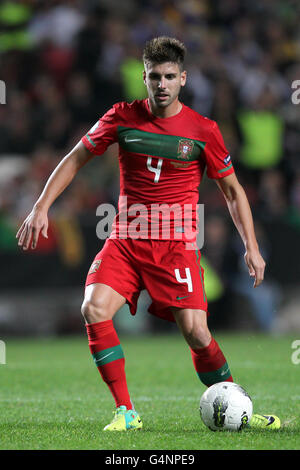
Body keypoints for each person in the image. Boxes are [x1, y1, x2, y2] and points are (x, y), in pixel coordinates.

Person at [16, 37, 280, 431]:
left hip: (175, 247)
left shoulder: (202, 130)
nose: (162, 84)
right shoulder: (121, 116)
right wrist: (41, 205)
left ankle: (239, 407)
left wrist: (251, 247)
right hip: (125, 240)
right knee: (93, 309)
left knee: (196, 331)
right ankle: (126, 412)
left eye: (170, 77)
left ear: (183, 79)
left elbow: (233, 190)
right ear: (144, 77)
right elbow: (76, 157)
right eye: (154, 76)